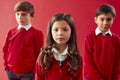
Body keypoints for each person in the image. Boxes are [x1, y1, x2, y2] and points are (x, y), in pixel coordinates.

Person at [3, 1, 44, 80]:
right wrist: (6, 66)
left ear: (31, 16)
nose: (20, 17)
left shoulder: (37, 34)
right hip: (11, 72)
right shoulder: (11, 32)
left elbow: (39, 53)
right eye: (17, 14)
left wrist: (33, 70)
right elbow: (5, 49)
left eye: (23, 14)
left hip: (28, 73)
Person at [35, 13, 83, 80]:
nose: (60, 33)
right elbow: (39, 78)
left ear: (71, 32)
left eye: (65, 30)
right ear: (50, 32)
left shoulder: (77, 58)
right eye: (56, 30)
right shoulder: (43, 56)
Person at [83, 4, 120, 80]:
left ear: (113, 20)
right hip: (91, 78)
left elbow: (117, 64)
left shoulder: (116, 40)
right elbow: (88, 62)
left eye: (108, 19)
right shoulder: (90, 37)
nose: (105, 23)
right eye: (102, 19)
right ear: (96, 20)